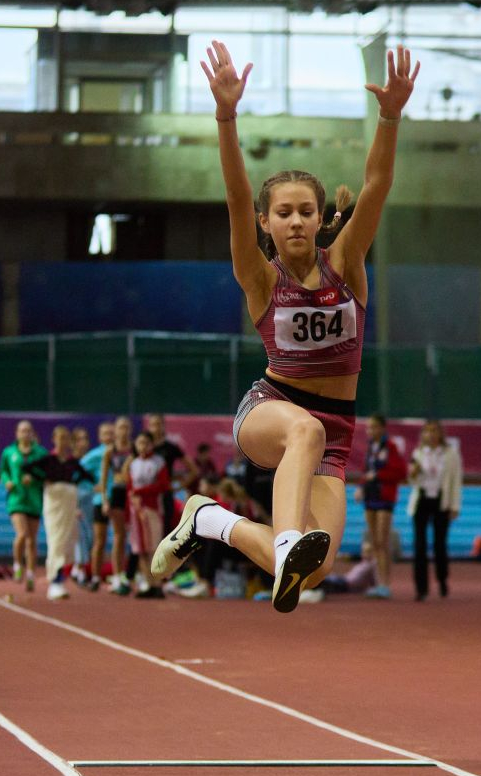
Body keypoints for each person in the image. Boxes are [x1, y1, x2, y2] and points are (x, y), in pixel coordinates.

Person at [151, 40, 419, 613]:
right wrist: (226, 116)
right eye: (283, 212)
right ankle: (288, 537)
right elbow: (234, 192)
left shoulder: (344, 265)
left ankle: (209, 519)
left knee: (313, 571)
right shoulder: (260, 279)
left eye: (305, 211)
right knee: (304, 434)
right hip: (271, 410)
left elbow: (375, 185)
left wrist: (390, 116)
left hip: (336, 431)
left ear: (321, 219)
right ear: (265, 223)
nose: (295, 220)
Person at [25, 425, 95, 601]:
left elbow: (88, 477)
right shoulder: (48, 460)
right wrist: (42, 479)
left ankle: (61, 579)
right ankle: (54, 581)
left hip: (69, 503)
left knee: (69, 541)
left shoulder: (72, 462)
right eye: (60, 438)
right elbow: (27, 468)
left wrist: (73, 483)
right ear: (54, 439)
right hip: (54, 504)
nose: (63, 441)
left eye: (66, 438)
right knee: (56, 540)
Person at [407, 420, 462, 601]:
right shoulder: (419, 452)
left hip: (441, 501)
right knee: (420, 546)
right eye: (427, 431)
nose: (430, 435)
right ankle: (421, 587)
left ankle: (442, 579)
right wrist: (413, 473)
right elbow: (411, 479)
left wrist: (454, 506)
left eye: (434, 431)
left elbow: (455, 481)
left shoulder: (450, 454)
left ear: (440, 434)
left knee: (440, 545)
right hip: (422, 500)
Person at [360, 413, 405, 599]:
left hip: (384, 498)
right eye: (368, 428)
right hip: (370, 496)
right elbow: (366, 471)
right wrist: (361, 486)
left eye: (374, 427)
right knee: (374, 541)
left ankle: (386, 584)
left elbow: (400, 472)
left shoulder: (391, 447)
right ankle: (379, 583)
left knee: (382, 541)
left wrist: (377, 477)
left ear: (382, 428)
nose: (370, 431)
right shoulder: (371, 447)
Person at [0, 420, 46, 592]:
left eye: (28, 430)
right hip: (17, 499)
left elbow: (46, 472)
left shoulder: (40, 453)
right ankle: (18, 565)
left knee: (32, 540)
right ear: (17, 433)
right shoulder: (9, 452)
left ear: (32, 433)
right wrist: (7, 481)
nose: (25, 433)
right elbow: (3, 470)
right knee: (22, 534)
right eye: (22, 430)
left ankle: (31, 573)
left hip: (34, 499)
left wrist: (34, 478)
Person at [125, 431, 172, 599]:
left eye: (146, 443)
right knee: (140, 549)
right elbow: (129, 489)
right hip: (135, 511)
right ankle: (149, 583)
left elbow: (163, 485)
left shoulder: (158, 462)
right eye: (139, 443)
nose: (142, 446)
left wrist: (141, 491)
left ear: (152, 444)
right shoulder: (133, 464)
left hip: (152, 510)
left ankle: (158, 584)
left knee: (153, 548)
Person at [103, 416, 135, 595]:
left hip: (130, 494)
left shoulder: (133, 449)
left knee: (133, 537)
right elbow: (104, 478)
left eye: (126, 427)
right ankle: (117, 575)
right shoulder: (110, 451)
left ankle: (130, 574)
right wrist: (105, 500)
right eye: (121, 427)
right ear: (115, 430)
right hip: (116, 493)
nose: (123, 430)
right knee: (119, 535)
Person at [82, 420, 114, 591]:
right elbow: (77, 471)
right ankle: (95, 577)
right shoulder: (95, 455)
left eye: (111, 432)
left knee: (119, 540)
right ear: (100, 437)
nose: (109, 436)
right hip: (100, 501)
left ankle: (118, 576)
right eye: (106, 433)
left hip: (118, 501)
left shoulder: (119, 454)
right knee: (99, 540)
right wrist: (91, 487)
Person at [70, 426, 95, 584]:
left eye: (85, 438)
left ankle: (83, 566)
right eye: (79, 439)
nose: (83, 442)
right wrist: (73, 506)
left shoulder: (92, 460)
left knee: (91, 536)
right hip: (76, 501)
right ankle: (79, 568)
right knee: (80, 536)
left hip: (91, 501)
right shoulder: (71, 462)